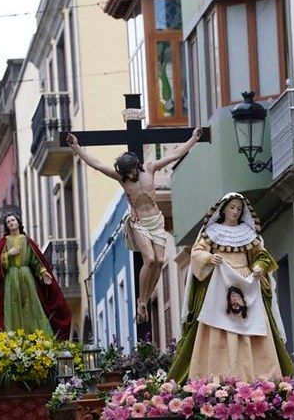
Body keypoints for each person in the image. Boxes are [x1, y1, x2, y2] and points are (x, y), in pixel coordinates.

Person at [67, 128, 203, 323]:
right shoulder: (121, 178)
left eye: (130, 171)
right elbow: (97, 164)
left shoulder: (150, 168)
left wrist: (193, 139)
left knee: (159, 260)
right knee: (149, 259)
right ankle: (141, 300)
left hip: (156, 219)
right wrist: (76, 147)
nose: (129, 175)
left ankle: (145, 300)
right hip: (138, 222)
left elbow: (174, 154)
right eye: (125, 173)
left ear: (136, 166)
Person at [167, 192, 294, 383]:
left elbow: (262, 255)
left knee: (253, 324)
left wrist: (259, 267)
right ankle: (215, 378)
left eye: (239, 209)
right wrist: (210, 258)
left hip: (246, 283)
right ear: (224, 209)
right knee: (217, 326)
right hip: (220, 284)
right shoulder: (211, 233)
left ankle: (260, 377)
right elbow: (197, 253)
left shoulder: (249, 235)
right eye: (232, 207)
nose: (235, 212)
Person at [0, 213, 71, 349]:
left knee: (32, 306)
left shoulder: (27, 241)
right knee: (12, 306)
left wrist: (43, 273)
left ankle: (39, 339)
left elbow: (35, 261)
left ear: (18, 222)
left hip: (27, 277)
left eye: (13, 220)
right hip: (11, 279)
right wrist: (9, 254)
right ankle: (13, 340)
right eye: (8, 222)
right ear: (7, 226)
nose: (11, 223)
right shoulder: (4, 242)